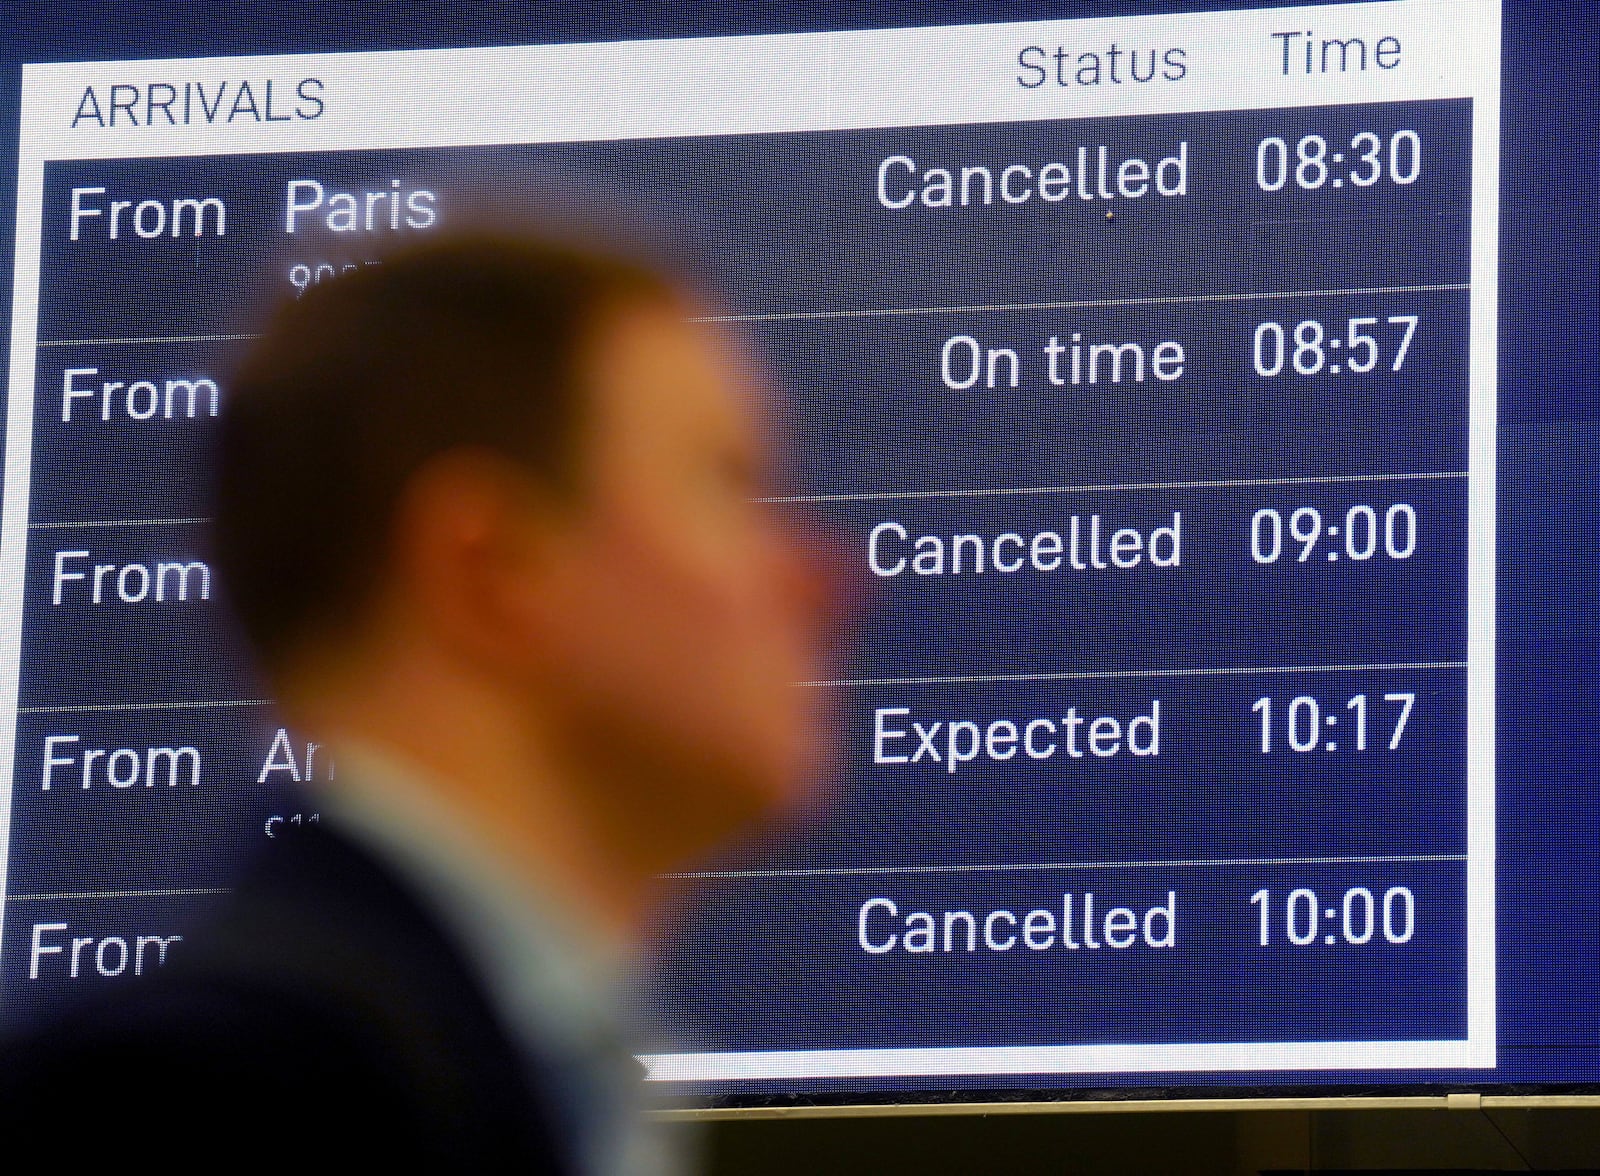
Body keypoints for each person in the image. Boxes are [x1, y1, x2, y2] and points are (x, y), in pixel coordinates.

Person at [0, 229, 833, 1170]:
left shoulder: (495, 1076)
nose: (822, 576)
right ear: (490, 569)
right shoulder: (204, 1102)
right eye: (729, 484)